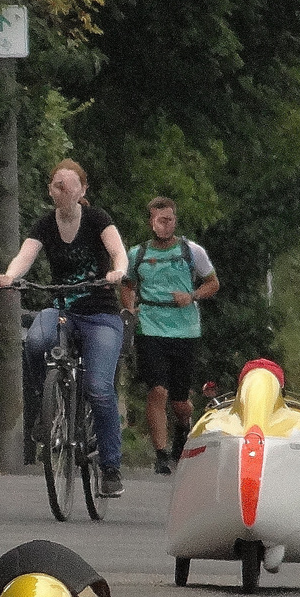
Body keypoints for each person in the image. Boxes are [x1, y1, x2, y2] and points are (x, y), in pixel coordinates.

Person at [0, 160, 129, 497]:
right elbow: (24, 256)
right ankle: (47, 406)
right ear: (50, 190)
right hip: (62, 309)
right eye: (57, 185)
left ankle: (111, 467)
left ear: (82, 190)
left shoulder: (97, 219)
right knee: (36, 341)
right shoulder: (45, 225)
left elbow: (118, 252)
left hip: (100, 314)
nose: (63, 191)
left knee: (99, 388)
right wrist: (11, 276)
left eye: (70, 185)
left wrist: (118, 271)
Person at [120, 196, 220, 474]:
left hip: (185, 330)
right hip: (150, 328)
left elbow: (213, 283)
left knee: (180, 402)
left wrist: (192, 296)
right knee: (157, 390)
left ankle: (183, 426)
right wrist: (130, 310)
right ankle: (162, 454)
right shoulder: (137, 254)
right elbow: (127, 286)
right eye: (161, 220)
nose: (166, 225)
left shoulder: (192, 251)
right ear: (151, 221)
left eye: (170, 220)